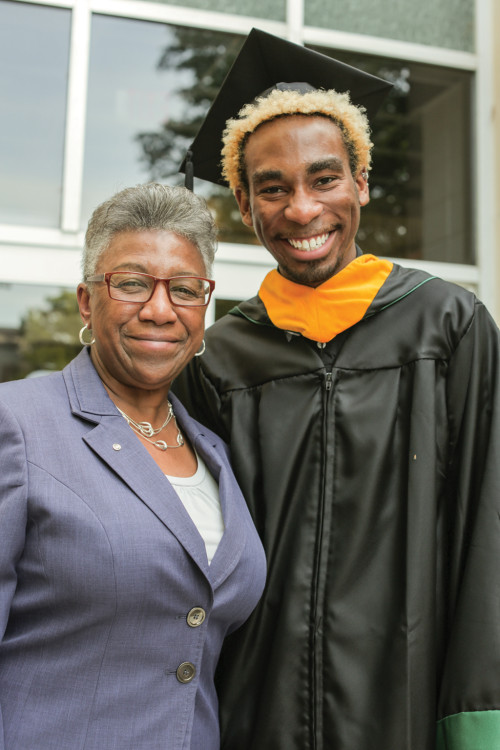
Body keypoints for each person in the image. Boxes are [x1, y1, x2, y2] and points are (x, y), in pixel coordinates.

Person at [173, 28, 500, 750]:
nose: (301, 209)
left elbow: (487, 529)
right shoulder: (219, 358)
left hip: (408, 711)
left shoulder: (447, 325)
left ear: (362, 184)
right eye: (272, 188)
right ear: (244, 203)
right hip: (253, 715)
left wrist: (476, 715)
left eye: (324, 178)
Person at [0, 183, 266, 750]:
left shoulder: (215, 450)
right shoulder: (17, 425)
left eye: (186, 290)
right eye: (132, 283)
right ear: (85, 299)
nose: (160, 309)